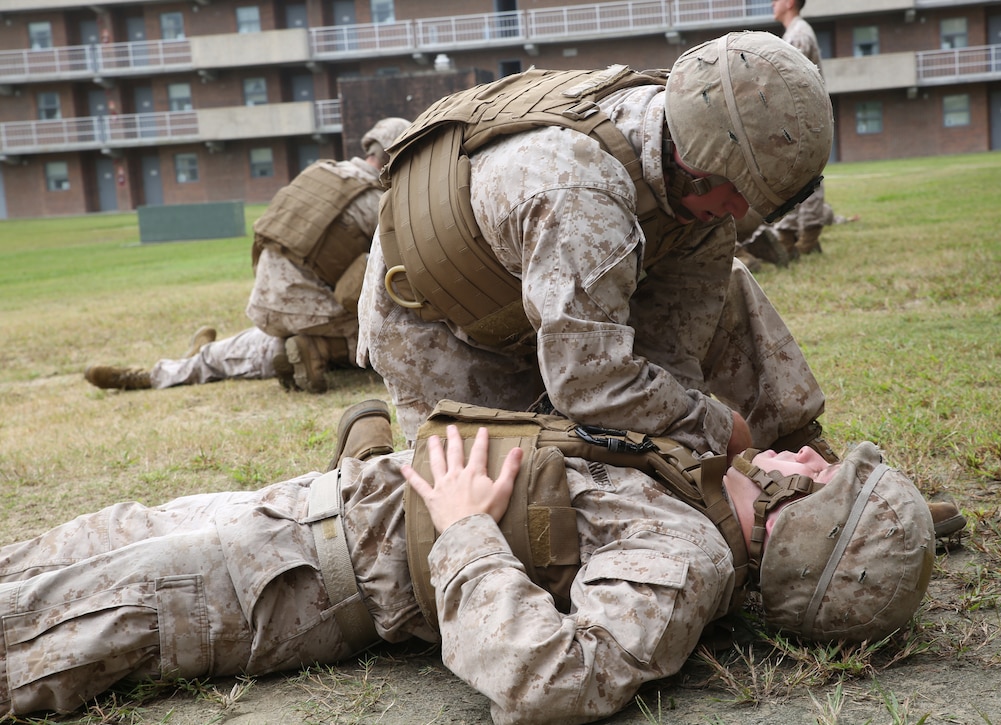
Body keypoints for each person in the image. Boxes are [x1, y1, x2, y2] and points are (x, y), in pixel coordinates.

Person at [0, 400, 948, 722]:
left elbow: (552, 679)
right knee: (36, 560)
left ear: (800, 529)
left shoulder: (688, 554)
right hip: (299, 512)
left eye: (825, 476)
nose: (810, 453)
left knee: (38, 625)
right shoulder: (690, 483)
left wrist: (462, 529)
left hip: (292, 578)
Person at [359, 31, 837, 464]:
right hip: (442, 319)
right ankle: (365, 454)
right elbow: (588, 385)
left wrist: (692, 442)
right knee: (513, 484)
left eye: (753, 198)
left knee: (728, 286)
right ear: (695, 161)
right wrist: (715, 427)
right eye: (736, 190)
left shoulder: (694, 172)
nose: (739, 210)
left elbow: (671, 353)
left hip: (543, 272)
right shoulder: (581, 193)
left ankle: (800, 448)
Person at [83, 117, 411, 394]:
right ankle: (319, 350)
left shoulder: (320, 173)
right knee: (399, 332)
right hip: (312, 310)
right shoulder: (377, 203)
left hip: (267, 303)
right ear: (395, 158)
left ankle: (173, 369)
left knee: (264, 347)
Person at [769, 0, 848, 258]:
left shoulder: (799, 34)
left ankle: (809, 236)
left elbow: (790, 80)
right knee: (795, 177)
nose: (772, 2)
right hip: (798, 119)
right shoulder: (793, 32)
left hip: (804, 119)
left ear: (790, 3)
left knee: (807, 177)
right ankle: (789, 235)